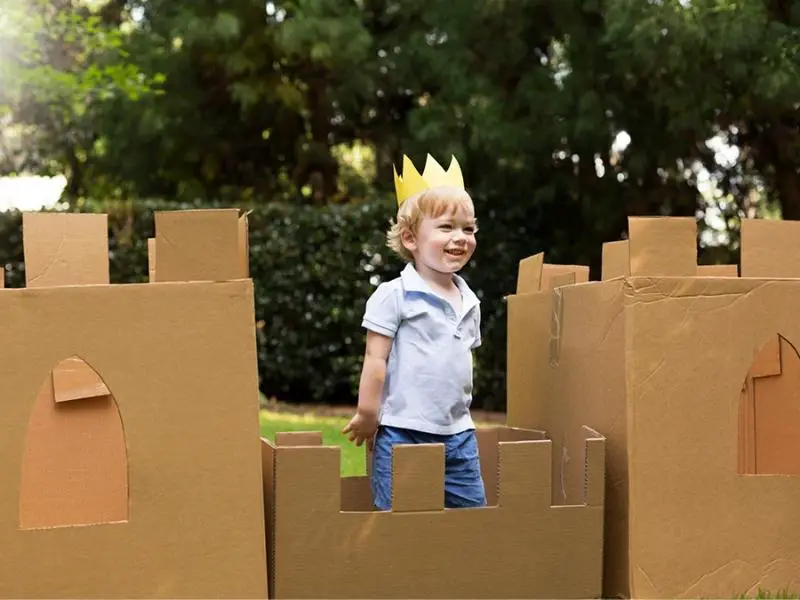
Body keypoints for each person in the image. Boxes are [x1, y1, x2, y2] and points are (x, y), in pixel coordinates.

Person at [341, 153, 487, 511]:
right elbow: (376, 359)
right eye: (446, 227)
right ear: (410, 238)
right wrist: (367, 412)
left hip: (458, 435)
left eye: (468, 229)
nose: (460, 238)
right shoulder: (395, 295)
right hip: (402, 431)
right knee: (400, 519)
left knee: (473, 520)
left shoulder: (469, 300)